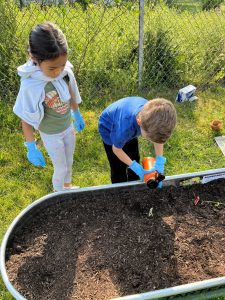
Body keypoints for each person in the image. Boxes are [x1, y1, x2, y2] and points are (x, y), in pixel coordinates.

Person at [13, 22, 85, 192]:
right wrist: (31, 146)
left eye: (62, 65)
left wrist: (77, 113)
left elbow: (70, 91)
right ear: (34, 58)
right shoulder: (31, 84)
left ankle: (66, 187)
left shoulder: (63, 71)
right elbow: (26, 117)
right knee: (60, 168)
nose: (58, 71)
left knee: (69, 162)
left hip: (67, 127)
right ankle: (58, 196)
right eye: (53, 68)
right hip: (51, 134)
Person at [98, 96, 177, 185]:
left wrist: (159, 161)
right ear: (139, 122)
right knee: (118, 166)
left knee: (133, 156)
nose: (151, 140)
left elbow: (158, 138)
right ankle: (119, 188)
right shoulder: (125, 129)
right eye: (149, 137)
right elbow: (116, 149)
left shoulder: (154, 114)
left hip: (127, 122)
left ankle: (134, 181)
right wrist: (136, 168)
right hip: (109, 127)